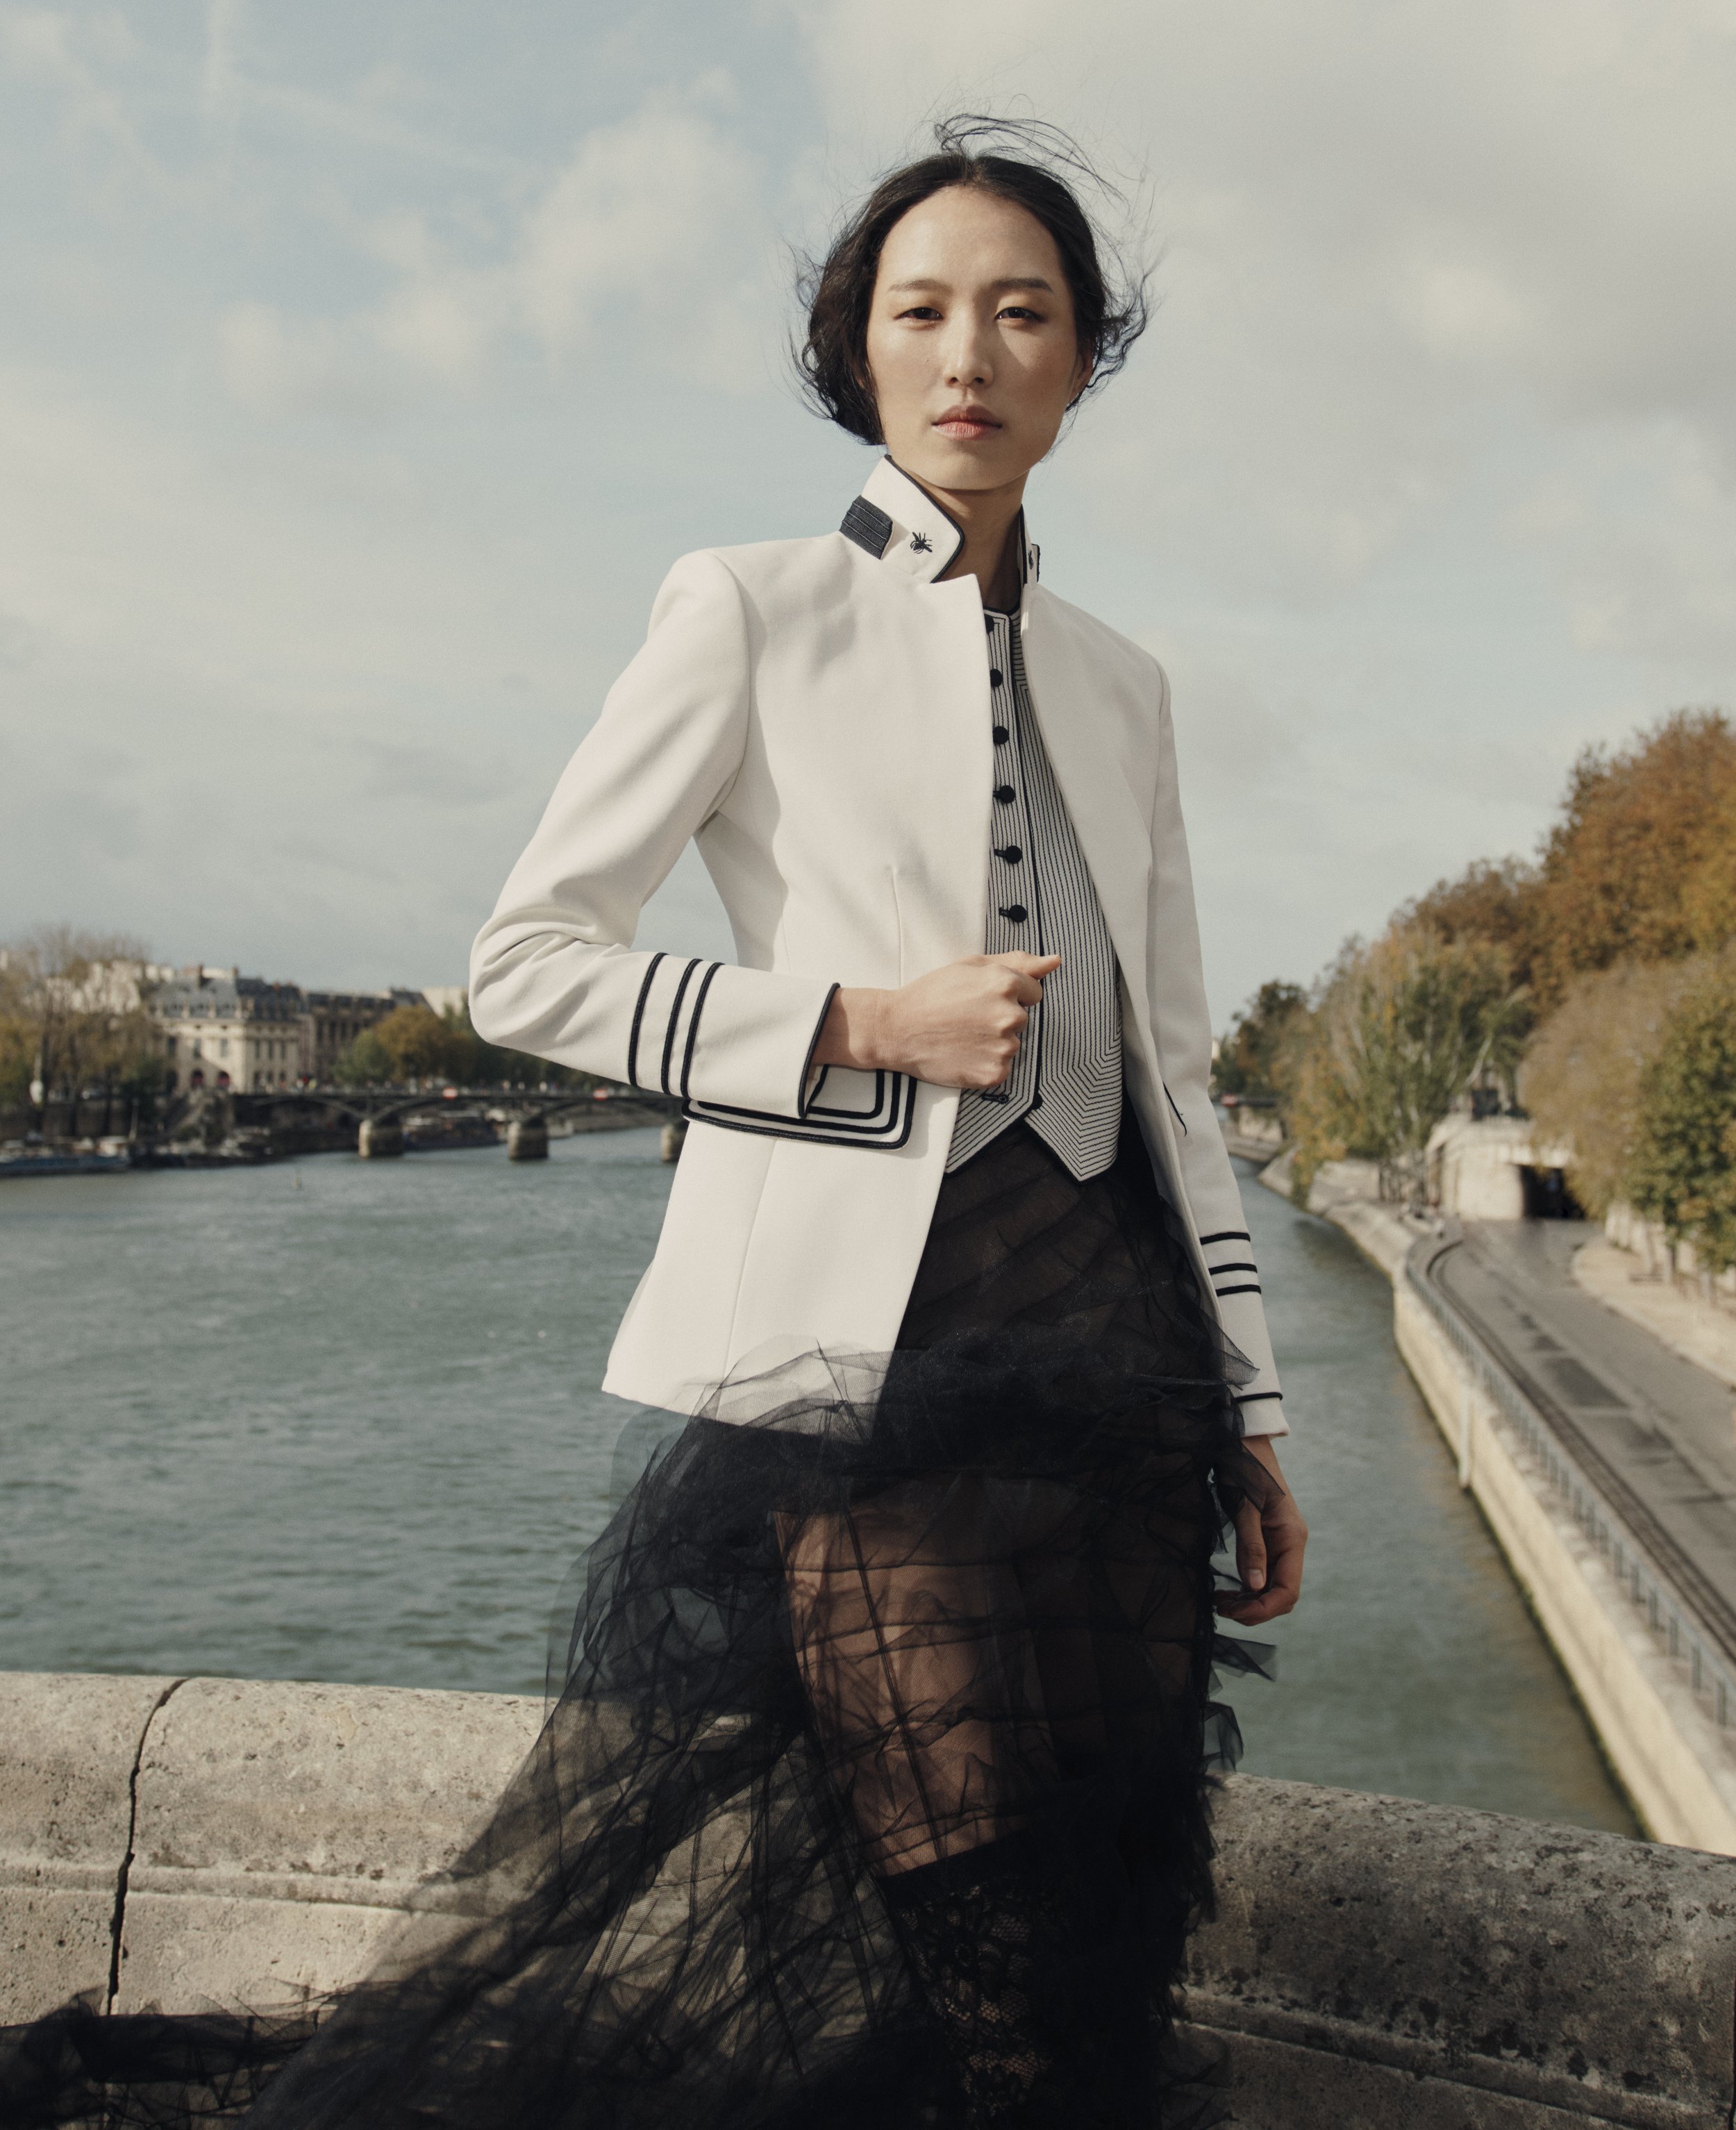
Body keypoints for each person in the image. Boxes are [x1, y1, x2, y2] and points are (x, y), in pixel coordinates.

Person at [0, 117, 1303, 2130]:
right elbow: (522, 965)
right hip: (871, 1372)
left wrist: (1257, 1408)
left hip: (1124, 1369)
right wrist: (856, 1020)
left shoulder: (1129, 686)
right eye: (922, 311)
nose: (969, 353)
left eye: (1020, 312)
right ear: (853, 355)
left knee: (1112, 1892)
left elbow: (1180, 1078)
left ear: (1078, 357)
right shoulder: (749, 605)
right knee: (979, 1941)